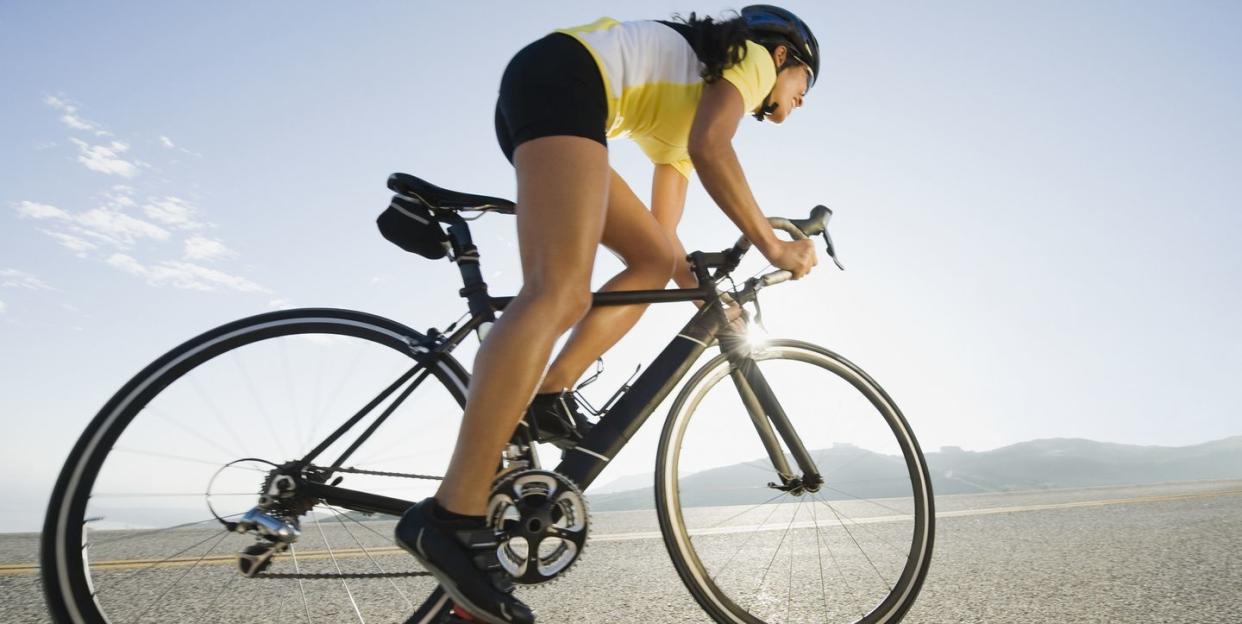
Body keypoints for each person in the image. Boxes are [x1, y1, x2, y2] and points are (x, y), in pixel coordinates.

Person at [395, 6, 820, 623]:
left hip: (555, 88)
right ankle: (450, 519)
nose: (803, 100)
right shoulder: (751, 60)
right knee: (558, 292)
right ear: (784, 57)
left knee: (645, 264)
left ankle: (548, 389)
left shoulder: (685, 107)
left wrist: (701, 291)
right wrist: (775, 246)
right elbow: (714, 147)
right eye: (806, 85)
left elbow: (665, 241)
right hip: (565, 82)